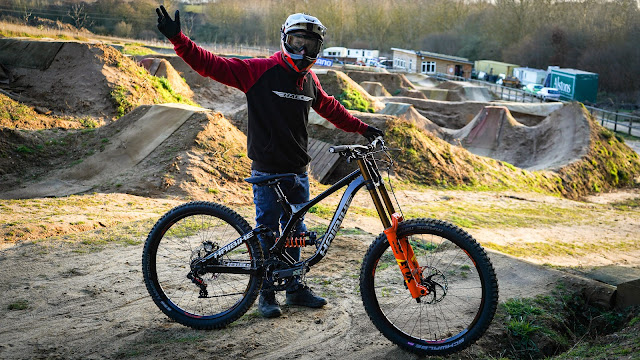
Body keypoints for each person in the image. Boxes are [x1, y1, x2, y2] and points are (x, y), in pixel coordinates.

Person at [155, 6, 384, 318]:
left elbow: (331, 108)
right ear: (284, 40)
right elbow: (211, 65)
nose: (303, 50)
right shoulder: (259, 70)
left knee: (296, 230)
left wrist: (362, 128)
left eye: (311, 45)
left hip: (298, 170)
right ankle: (264, 293)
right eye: (297, 41)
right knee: (267, 233)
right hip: (266, 170)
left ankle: (294, 288)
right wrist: (178, 40)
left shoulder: (309, 81)